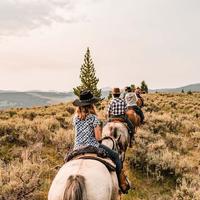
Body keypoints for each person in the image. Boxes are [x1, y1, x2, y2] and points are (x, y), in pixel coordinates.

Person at [72, 89, 130, 194]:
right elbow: (98, 138)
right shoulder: (94, 118)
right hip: (92, 146)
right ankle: (121, 183)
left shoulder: (75, 118)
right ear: (91, 105)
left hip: (77, 147)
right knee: (116, 156)